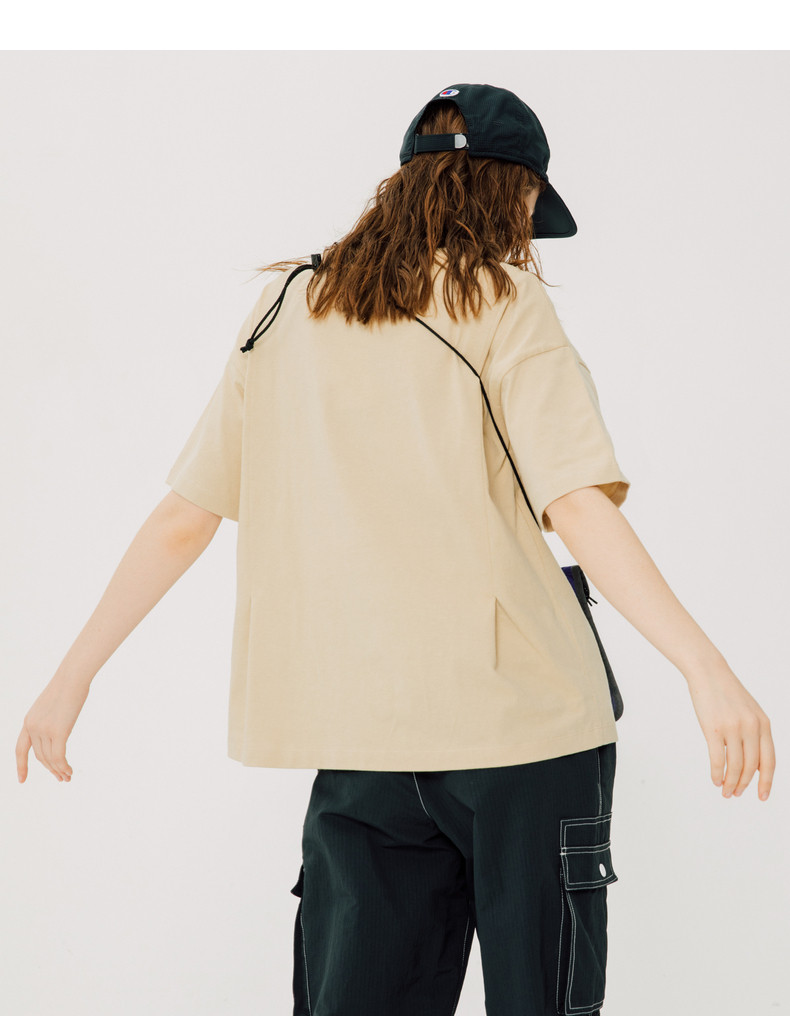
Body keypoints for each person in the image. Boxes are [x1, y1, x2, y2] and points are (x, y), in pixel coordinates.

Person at [16, 83, 775, 1016]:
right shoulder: (503, 300)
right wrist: (707, 669)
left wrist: (71, 678)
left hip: (362, 740)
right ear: (514, 191)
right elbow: (576, 502)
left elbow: (186, 516)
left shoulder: (286, 308)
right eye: (531, 207)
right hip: (526, 733)